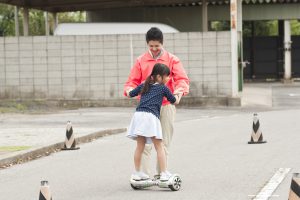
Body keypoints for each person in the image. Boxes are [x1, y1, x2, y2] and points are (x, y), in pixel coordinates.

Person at [124, 27, 189, 177]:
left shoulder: (172, 59)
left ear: (162, 43)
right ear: (147, 44)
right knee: (144, 145)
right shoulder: (140, 60)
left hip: (166, 106)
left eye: (157, 46)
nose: (154, 49)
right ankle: (143, 175)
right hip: (146, 107)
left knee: (163, 142)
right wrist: (129, 89)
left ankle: (162, 174)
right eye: (151, 46)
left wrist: (179, 92)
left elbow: (182, 80)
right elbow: (132, 82)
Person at [127, 63, 180, 181]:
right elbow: (174, 101)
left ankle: (137, 172)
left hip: (139, 115)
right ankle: (164, 173)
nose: (168, 78)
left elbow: (130, 94)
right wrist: (179, 94)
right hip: (150, 117)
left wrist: (128, 89)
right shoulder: (163, 88)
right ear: (159, 77)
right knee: (159, 146)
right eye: (166, 76)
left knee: (140, 146)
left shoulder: (144, 85)